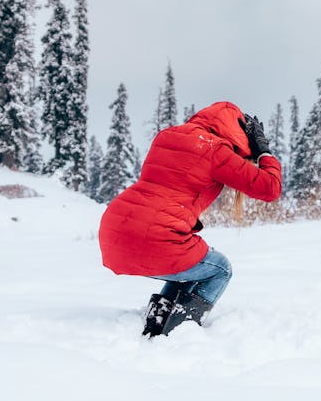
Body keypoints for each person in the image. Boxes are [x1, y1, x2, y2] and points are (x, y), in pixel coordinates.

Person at [98, 101, 281, 337]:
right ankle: (177, 330)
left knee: (190, 268)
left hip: (115, 231)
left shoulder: (167, 136)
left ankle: (158, 319)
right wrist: (263, 151)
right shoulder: (216, 150)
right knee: (220, 269)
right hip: (155, 236)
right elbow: (270, 188)